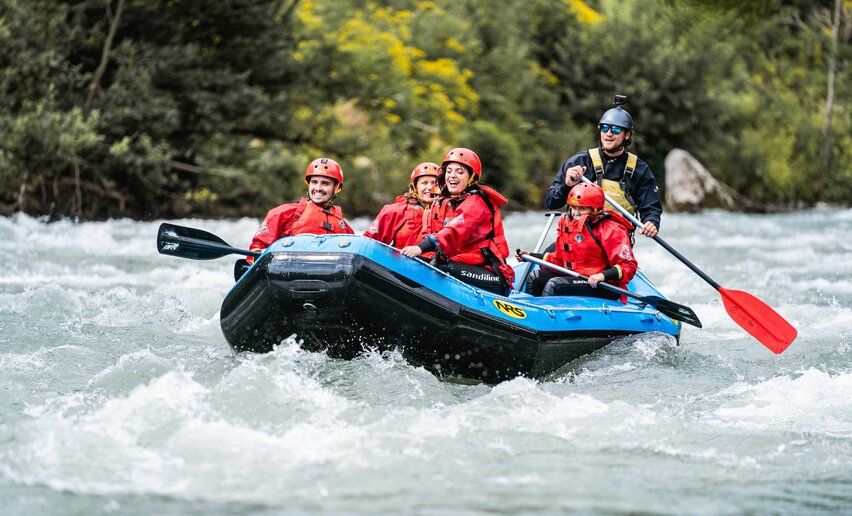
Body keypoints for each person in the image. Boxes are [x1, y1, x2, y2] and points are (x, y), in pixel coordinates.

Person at [400, 147, 514, 296]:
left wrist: (421, 247)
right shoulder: (442, 203)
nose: (452, 176)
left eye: (460, 172)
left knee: (439, 266)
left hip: (490, 274)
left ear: (471, 177)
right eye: (449, 171)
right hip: (461, 264)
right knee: (421, 263)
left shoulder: (476, 203)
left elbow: (454, 232)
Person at [545, 95, 661, 238]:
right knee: (542, 257)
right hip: (578, 239)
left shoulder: (639, 169)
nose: (609, 134)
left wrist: (651, 222)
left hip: (614, 244)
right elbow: (551, 202)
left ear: (627, 135)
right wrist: (567, 185)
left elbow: (651, 207)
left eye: (616, 130)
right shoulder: (580, 161)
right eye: (604, 128)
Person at [519, 182, 637, 299]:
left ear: (595, 209)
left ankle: (548, 316)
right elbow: (560, 261)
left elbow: (628, 266)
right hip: (575, 276)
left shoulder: (611, 229)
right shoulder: (568, 224)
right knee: (535, 277)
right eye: (573, 207)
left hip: (603, 284)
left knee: (555, 285)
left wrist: (602, 276)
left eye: (582, 208)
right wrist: (531, 256)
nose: (575, 213)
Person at [246, 157, 354, 265]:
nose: (318, 188)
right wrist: (260, 255)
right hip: (289, 271)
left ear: (336, 187)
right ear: (309, 184)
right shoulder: (284, 213)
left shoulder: (344, 227)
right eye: (314, 182)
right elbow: (255, 250)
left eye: (325, 183)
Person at [362, 162, 440, 248]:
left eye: (434, 183)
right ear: (414, 187)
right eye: (424, 183)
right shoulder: (394, 211)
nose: (430, 187)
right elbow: (368, 244)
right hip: (401, 260)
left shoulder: (448, 212)